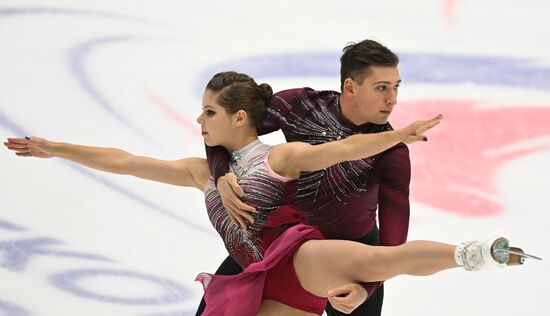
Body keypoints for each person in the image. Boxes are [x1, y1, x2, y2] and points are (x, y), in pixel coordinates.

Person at [4, 71, 536, 316]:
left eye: (208, 112)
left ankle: (475, 254)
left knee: (378, 260)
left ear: (238, 117)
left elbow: (339, 153)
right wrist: (55, 147)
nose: (198, 119)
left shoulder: (278, 157)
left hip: (295, 259)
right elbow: (125, 161)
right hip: (248, 279)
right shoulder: (201, 171)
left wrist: (396, 135)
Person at [203, 39, 407, 315]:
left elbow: (395, 243)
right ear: (350, 87)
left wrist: (366, 289)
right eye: (382, 88)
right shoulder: (301, 107)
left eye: (395, 87)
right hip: (281, 247)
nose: (392, 99)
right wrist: (222, 175)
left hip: (349, 260)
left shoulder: (392, 151)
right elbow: (224, 127)